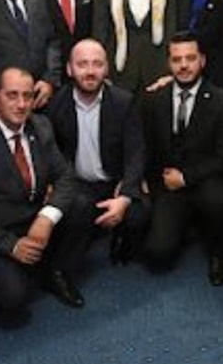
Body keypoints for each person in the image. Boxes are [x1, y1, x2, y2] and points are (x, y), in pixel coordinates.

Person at [0, 66, 85, 325]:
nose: (22, 104)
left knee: (81, 205)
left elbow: (65, 176)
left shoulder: (41, 126)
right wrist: (11, 246)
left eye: (28, 96)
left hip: (30, 219)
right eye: (12, 95)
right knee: (13, 301)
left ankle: (54, 272)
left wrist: (46, 218)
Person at [141, 32, 223, 286]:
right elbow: (146, 144)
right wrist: (144, 178)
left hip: (205, 179)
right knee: (157, 254)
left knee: (218, 198)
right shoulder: (154, 98)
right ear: (169, 63)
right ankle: (186, 227)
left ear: (202, 60)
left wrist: (187, 177)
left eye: (190, 58)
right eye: (177, 59)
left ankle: (218, 253)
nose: (183, 65)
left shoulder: (222, 100)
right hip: (169, 184)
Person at [47, 39, 149, 265]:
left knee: (138, 215)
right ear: (69, 69)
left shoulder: (124, 102)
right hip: (78, 184)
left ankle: (121, 236)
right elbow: (52, 154)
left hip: (115, 182)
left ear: (106, 68)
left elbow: (136, 152)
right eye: (82, 64)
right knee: (77, 211)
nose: (90, 71)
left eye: (97, 64)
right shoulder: (55, 105)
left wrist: (125, 196)